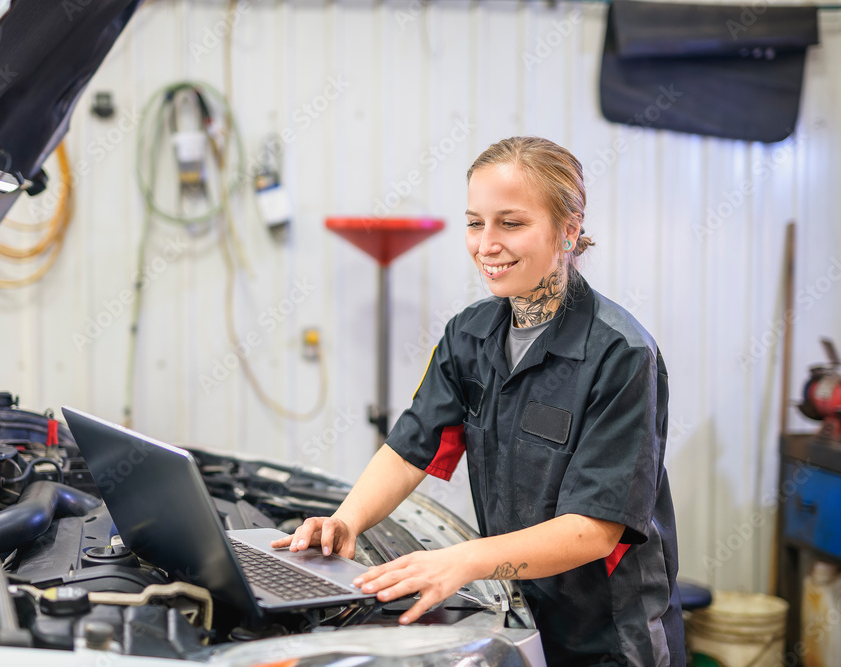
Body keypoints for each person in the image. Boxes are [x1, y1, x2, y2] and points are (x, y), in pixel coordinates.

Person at [272, 136, 685, 665]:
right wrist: (347, 521)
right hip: (517, 607)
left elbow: (594, 530)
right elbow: (410, 448)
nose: (485, 244)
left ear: (569, 229)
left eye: (511, 223)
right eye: (474, 222)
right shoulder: (468, 336)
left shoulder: (621, 355)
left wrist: (464, 561)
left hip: (607, 632)